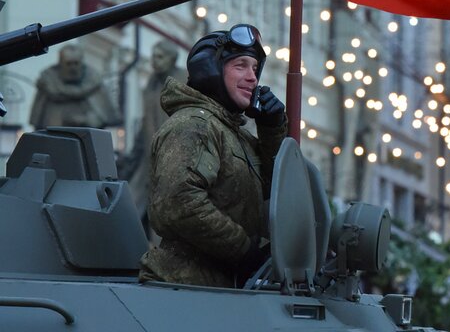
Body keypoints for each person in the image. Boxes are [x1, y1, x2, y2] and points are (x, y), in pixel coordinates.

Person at [138, 24, 288, 288]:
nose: (253, 78)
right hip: (184, 288)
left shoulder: (230, 132)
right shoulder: (194, 125)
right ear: (211, 71)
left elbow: (270, 191)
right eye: (240, 65)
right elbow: (178, 203)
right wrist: (243, 251)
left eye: (254, 68)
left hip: (215, 287)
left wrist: (272, 129)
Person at [127, 40, 186, 219]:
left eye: (160, 57)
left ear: (172, 59)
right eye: (153, 56)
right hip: (150, 154)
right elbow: (146, 120)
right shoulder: (152, 82)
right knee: (133, 201)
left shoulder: (184, 80)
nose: (154, 60)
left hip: (176, 154)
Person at [29, 43, 122, 129]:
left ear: (82, 63)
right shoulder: (48, 81)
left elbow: (103, 117)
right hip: (55, 138)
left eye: (76, 63)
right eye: (68, 64)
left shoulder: (93, 81)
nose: (72, 68)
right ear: (60, 63)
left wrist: (89, 120)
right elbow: (38, 120)